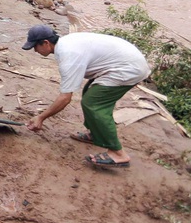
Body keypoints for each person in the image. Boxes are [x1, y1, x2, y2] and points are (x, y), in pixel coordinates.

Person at [23, 25, 151, 168]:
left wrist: (41, 118)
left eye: (35, 46)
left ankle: (118, 153)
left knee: (94, 104)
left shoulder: (68, 54)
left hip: (129, 68)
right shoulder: (65, 43)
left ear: (46, 43)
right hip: (125, 62)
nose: (35, 50)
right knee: (89, 93)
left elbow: (65, 98)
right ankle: (95, 134)